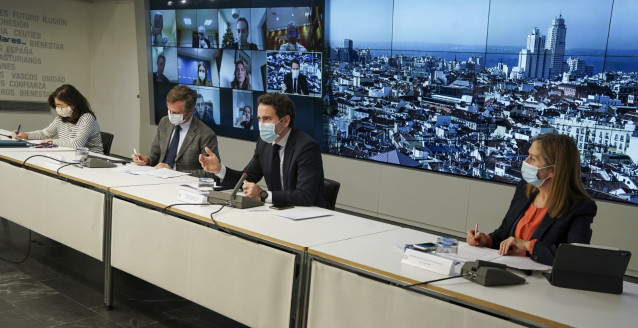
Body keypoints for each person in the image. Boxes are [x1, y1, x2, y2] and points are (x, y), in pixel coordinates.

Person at [466, 134, 597, 266]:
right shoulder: (525, 189)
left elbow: (576, 257)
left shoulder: (580, 207)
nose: (525, 162)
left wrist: (528, 246)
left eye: (533, 159)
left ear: (553, 170)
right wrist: (487, 240)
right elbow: (504, 233)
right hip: (505, 269)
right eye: (528, 156)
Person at [199, 92, 328, 208]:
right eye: (259, 119)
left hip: (310, 216)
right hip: (279, 212)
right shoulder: (264, 143)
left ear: (285, 121)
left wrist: (263, 195)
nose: (261, 124)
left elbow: (304, 196)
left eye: (267, 118)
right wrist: (219, 169)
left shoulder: (306, 147)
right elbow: (245, 178)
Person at [132, 85, 220, 177]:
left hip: (183, 185)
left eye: (176, 113)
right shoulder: (164, 122)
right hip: (156, 178)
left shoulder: (205, 135)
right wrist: (147, 159)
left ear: (191, 111)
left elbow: (211, 173)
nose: (171, 115)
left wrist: (173, 171)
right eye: (169, 110)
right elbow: (155, 154)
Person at [12, 84, 104, 153]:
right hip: (71, 157)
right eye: (56, 106)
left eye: (60, 105)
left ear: (73, 105)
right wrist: (26, 135)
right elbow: (45, 133)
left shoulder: (87, 117)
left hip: (92, 160)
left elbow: (77, 144)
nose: (58, 109)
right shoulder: (60, 119)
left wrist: (53, 141)